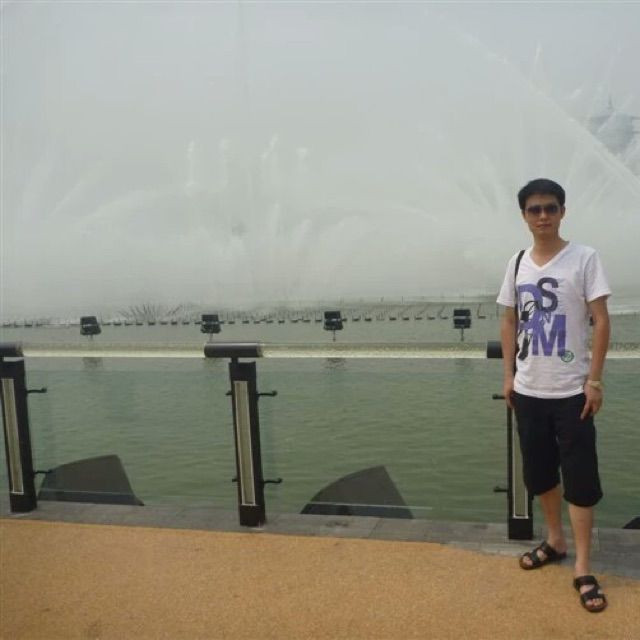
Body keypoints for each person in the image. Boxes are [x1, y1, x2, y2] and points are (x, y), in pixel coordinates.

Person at [497, 178, 611, 613]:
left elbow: (601, 320)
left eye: (550, 208)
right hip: (528, 390)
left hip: (571, 393)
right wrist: (508, 375)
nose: (542, 216)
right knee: (540, 475)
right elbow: (509, 321)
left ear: (563, 211)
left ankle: (583, 565)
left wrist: (594, 380)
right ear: (524, 216)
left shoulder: (584, 258)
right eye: (534, 209)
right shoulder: (517, 263)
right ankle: (555, 541)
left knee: (580, 480)